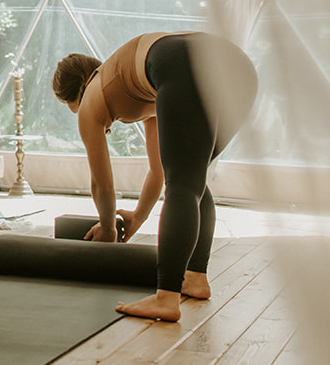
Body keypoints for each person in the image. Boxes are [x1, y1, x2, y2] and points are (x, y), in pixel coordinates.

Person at [52, 30, 258, 322]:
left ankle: (166, 298)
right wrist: (138, 216)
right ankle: (196, 278)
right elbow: (158, 169)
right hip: (239, 69)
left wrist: (109, 228)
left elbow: (101, 183)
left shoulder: (91, 96)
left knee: (184, 183)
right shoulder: (143, 89)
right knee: (191, 176)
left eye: (68, 107)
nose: (75, 113)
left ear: (74, 94)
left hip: (187, 62)